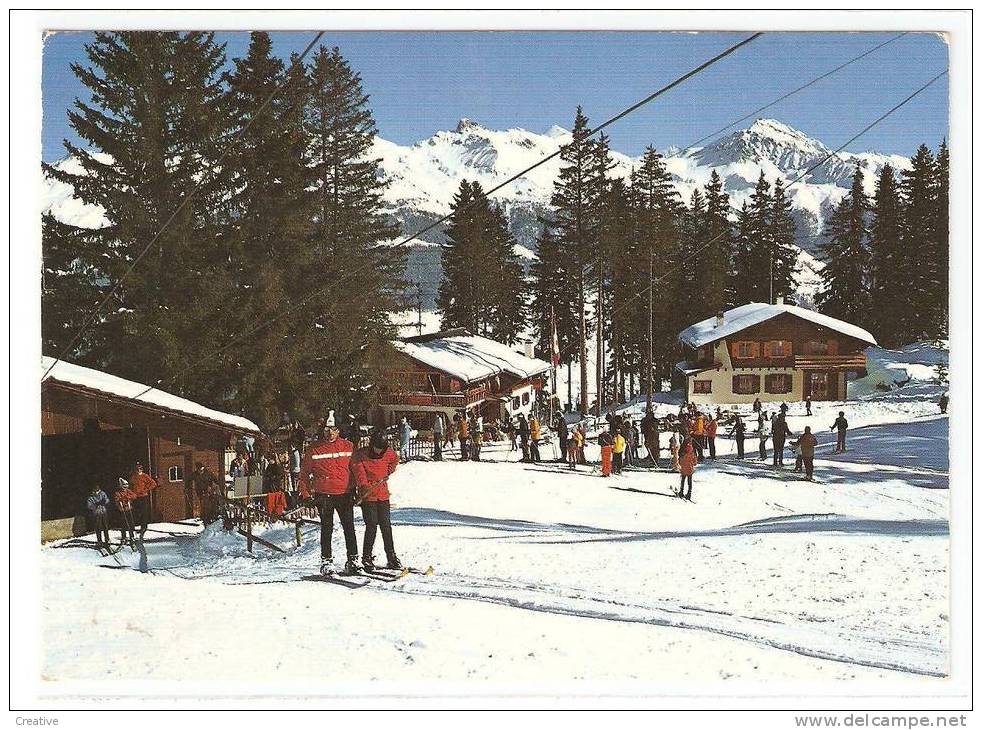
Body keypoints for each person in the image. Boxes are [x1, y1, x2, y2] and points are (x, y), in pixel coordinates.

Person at [298, 421, 360, 575]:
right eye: (327, 430)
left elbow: (357, 470)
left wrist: (358, 488)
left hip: (345, 493)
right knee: (327, 528)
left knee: (349, 527)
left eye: (333, 429)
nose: (330, 433)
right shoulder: (314, 449)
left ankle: (353, 560)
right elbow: (304, 474)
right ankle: (326, 561)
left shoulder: (348, 446)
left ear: (339, 430)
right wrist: (306, 494)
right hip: (324, 494)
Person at [353, 431, 402, 571]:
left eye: (382, 448)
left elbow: (394, 459)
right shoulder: (360, 455)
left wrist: (388, 471)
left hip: (383, 495)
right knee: (372, 526)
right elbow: (359, 473)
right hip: (368, 496)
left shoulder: (388, 452)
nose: (379, 451)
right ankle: (366, 557)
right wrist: (364, 485)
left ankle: (391, 557)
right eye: (377, 448)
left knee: (386, 527)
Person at [128, 462, 158, 536]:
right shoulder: (133, 477)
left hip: (143, 496)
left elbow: (153, 484)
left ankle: (143, 527)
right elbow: (130, 486)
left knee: (144, 512)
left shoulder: (145, 476)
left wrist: (146, 489)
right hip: (135, 497)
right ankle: (137, 526)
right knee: (137, 512)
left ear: (141, 469)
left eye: (139, 469)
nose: (138, 470)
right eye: (137, 469)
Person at [86, 485, 111, 550]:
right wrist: (95, 505)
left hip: (103, 512)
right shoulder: (91, 497)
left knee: (105, 526)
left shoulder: (102, 493)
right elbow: (89, 506)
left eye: (98, 490)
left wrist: (104, 502)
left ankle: (107, 539)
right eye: (95, 490)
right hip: (96, 513)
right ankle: (99, 540)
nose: (97, 491)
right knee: (98, 527)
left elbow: (107, 500)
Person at [114, 480, 136, 547]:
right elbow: (117, 500)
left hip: (129, 509)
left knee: (130, 523)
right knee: (123, 524)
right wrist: (121, 500)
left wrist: (128, 497)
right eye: (124, 486)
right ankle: (124, 537)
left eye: (126, 486)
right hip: (122, 510)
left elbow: (134, 496)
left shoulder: (128, 491)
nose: (125, 487)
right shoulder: (118, 493)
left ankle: (131, 536)